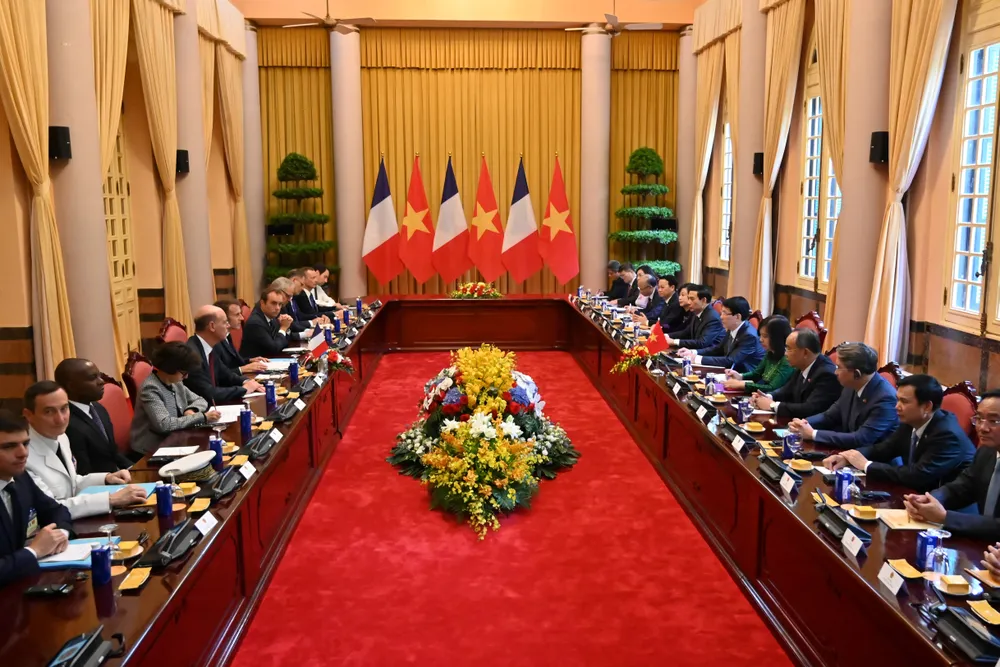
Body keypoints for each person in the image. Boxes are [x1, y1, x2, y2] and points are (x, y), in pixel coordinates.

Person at [822, 374, 975, 492]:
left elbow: (918, 475)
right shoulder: (910, 421)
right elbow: (884, 449)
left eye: (904, 402)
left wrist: (866, 465)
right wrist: (847, 457)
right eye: (897, 400)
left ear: (927, 407)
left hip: (946, 509)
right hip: (915, 495)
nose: (897, 407)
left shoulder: (947, 434)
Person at [22, 382, 146, 519]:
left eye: (64, 409)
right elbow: (51, 508)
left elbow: (71, 484)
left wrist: (106, 478)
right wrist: (111, 499)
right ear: (28, 415)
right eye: (49, 412)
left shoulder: (61, 437)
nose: (60, 419)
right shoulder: (23, 457)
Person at [905, 390, 1000, 542]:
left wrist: (945, 517)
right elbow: (964, 486)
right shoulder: (986, 452)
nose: (983, 427)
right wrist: (930, 499)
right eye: (979, 418)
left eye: (994, 421)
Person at [0, 410, 73, 586]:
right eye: (9, 447)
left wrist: (59, 535)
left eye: (25, 444)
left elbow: (56, 511)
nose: (23, 453)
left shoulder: (20, 477)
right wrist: (34, 551)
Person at [787, 342, 898, 450]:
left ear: (856, 374)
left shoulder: (886, 399)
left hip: (874, 462)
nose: (835, 372)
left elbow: (861, 438)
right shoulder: (851, 385)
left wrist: (813, 434)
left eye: (839, 367)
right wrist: (803, 424)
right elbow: (829, 416)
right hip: (846, 453)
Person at [131, 342, 221, 457]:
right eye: (183, 373)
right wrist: (202, 417)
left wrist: (191, 409)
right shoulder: (150, 388)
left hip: (177, 439)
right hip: (153, 448)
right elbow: (164, 425)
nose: (186, 377)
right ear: (170, 368)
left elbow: (201, 400)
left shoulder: (176, 382)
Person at [54, 358, 133, 475]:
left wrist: (134, 469)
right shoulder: (67, 423)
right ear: (71, 386)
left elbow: (112, 452)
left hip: (119, 475)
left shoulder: (97, 408)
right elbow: (83, 472)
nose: (101, 381)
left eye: (99, 376)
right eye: (92, 378)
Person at [752, 328, 840, 418]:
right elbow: (787, 389)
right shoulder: (802, 364)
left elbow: (810, 408)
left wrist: (773, 406)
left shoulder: (826, 374)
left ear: (805, 352)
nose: (785, 353)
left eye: (789, 349)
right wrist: (768, 397)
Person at [184, 305, 264, 404]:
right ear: (212, 326)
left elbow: (226, 375)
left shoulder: (208, 346)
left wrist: (246, 381)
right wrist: (244, 390)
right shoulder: (192, 355)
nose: (228, 326)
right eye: (225, 322)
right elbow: (209, 394)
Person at [678, 296, 765, 373]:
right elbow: (718, 349)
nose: (721, 317)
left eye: (724, 313)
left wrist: (697, 359)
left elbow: (731, 361)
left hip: (745, 377)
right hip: (730, 371)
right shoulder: (733, 327)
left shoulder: (749, 336)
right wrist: (693, 352)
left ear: (737, 317)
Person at [723, 316, 794, 393]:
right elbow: (756, 374)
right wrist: (740, 376)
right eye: (760, 335)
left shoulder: (788, 359)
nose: (760, 340)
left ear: (777, 337)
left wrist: (742, 385)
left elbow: (771, 387)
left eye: (765, 336)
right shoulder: (770, 352)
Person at [213, 299, 268, 375]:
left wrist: (249, 361)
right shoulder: (214, 341)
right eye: (237, 314)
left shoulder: (227, 335)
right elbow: (219, 375)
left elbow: (232, 362)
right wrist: (243, 369)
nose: (242, 318)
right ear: (224, 318)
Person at [241, 288, 298, 359]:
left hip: (269, 360)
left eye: (280, 304)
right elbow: (274, 348)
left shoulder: (271, 317)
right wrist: (283, 328)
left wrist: (286, 327)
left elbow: (284, 341)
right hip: (255, 365)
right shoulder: (255, 323)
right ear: (262, 303)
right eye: (273, 303)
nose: (277, 308)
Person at [665, 285, 725, 352]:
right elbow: (686, 332)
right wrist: (666, 335)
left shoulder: (712, 318)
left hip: (707, 356)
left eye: (692, 299)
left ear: (703, 300)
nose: (689, 302)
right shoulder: (696, 312)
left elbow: (702, 343)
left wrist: (674, 341)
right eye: (688, 298)